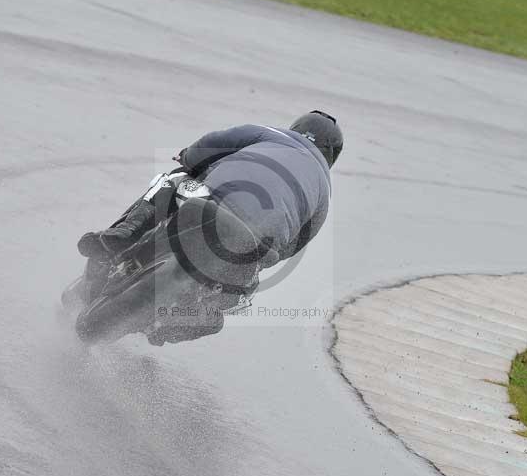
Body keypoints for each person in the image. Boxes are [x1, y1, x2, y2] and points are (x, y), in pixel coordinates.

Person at [77, 110, 344, 345]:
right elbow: (293, 247)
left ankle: (126, 233)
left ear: (295, 128)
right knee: (220, 310)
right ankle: (168, 327)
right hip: (255, 248)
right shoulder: (324, 193)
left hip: (209, 204)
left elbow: (209, 145)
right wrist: (260, 258)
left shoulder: (270, 134)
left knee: (174, 178)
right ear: (331, 156)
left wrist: (188, 159)